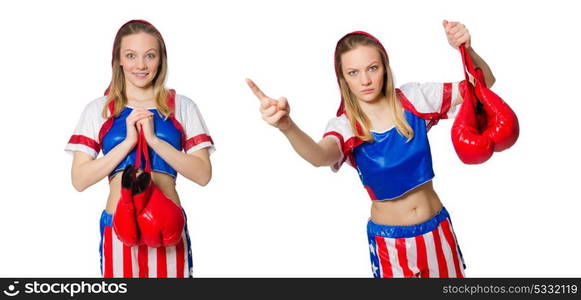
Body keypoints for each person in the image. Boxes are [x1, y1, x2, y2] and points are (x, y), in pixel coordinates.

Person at [246, 20, 495, 278]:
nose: (365, 80)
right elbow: (320, 156)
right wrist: (287, 126)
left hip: (437, 230)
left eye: (372, 68)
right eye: (353, 72)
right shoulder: (346, 126)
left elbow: (482, 85)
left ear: (385, 69)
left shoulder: (414, 98)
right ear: (343, 78)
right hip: (392, 245)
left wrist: (467, 50)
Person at [65, 20, 214, 278]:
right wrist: (127, 143)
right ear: (119, 60)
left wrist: (155, 140)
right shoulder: (100, 109)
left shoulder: (182, 106)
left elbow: (203, 175)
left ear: (161, 59)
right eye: (131, 56)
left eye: (150, 55)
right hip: (118, 228)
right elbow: (79, 180)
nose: (141, 65)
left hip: (168, 226)